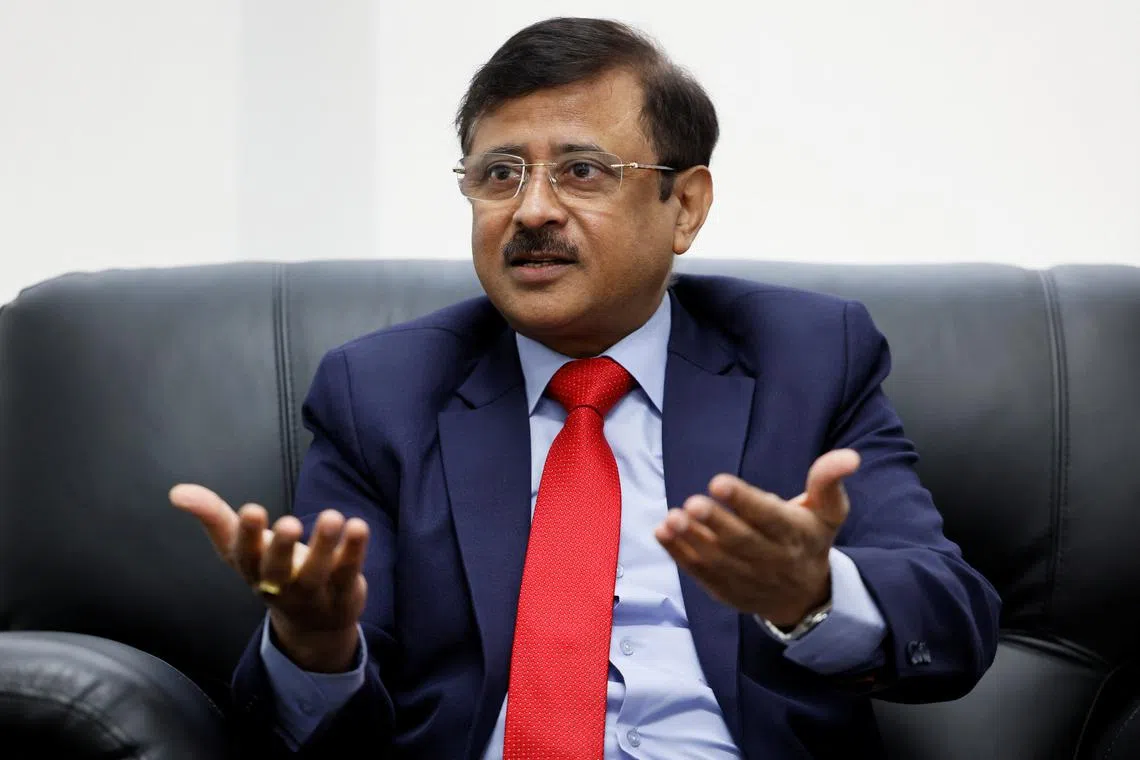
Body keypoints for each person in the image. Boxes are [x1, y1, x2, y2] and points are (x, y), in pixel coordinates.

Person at [170, 16, 1000, 759]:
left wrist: (813, 595)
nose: (532, 209)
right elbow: (318, 723)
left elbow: (952, 626)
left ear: (686, 205)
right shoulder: (379, 393)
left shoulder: (808, 359)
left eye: (582, 171)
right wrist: (314, 643)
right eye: (499, 173)